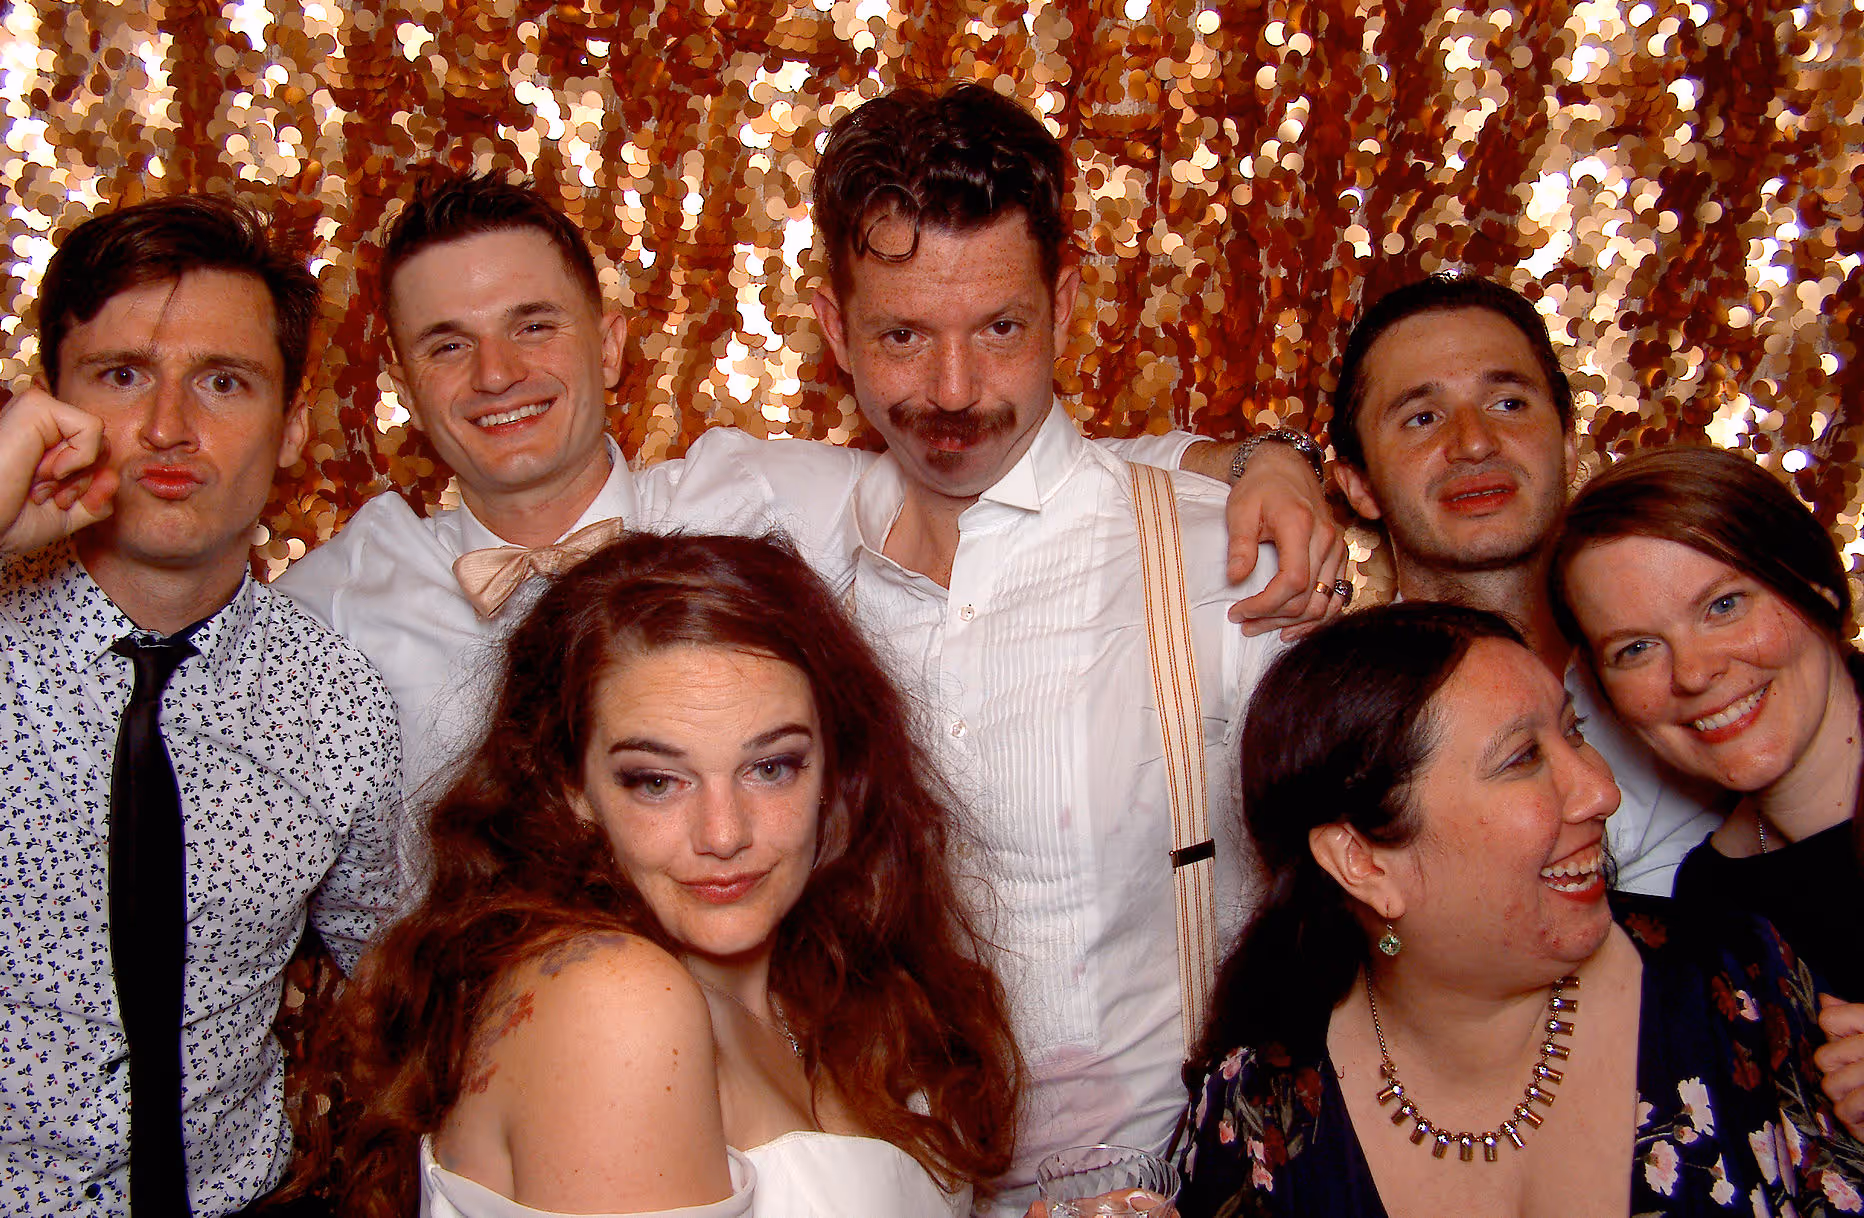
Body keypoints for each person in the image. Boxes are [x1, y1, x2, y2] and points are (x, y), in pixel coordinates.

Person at [275, 170, 1343, 847]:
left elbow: (1026, 459)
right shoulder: (336, 604)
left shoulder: (758, 497)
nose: (497, 374)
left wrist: (1264, 458)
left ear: (608, 344)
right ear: (401, 384)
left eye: (533, 325)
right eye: (447, 345)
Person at [806, 83, 1295, 1212]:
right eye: (901, 335)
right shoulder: (804, 573)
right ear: (834, 330)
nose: (954, 392)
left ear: (1064, 305)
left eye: (1000, 328)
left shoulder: (1226, 560)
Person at [286, 531, 1021, 1218]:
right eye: (657, 781)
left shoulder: (828, 980)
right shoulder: (613, 999)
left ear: (834, 764)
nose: (724, 834)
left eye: (771, 767)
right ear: (571, 788)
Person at [1175, 603, 1864, 1217]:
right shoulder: (1259, 1111)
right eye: (1522, 759)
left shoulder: (1739, 989)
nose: (1600, 792)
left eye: (1575, 733)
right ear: (1365, 863)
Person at [0, 195, 400, 1216]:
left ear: (293, 425)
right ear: (46, 405)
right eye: (122, 376)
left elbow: (399, 975)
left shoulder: (338, 705)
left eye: (224, 381)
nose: (168, 428)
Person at [1330, 274, 1722, 896]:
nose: (1473, 443)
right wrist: (1259, 459)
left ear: (1567, 444)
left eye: (1508, 404)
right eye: (1422, 417)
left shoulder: (1706, 680)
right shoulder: (1333, 727)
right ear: (1359, 485)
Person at [1546, 444, 1864, 1133]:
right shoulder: (1710, 900)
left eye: (1723, 605)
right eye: (1635, 649)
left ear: (1816, 585)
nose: (1692, 674)